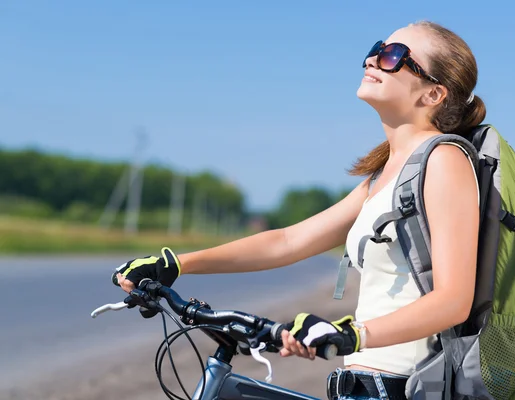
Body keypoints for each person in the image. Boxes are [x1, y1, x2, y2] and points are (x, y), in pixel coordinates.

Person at [114, 20, 485, 400]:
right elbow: (288, 241)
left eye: (393, 56)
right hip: (360, 385)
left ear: (433, 93)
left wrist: (352, 333)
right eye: (377, 47)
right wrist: (177, 263)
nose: (373, 59)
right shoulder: (385, 174)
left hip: (402, 387)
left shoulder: (445, 161)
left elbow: (453, 300)